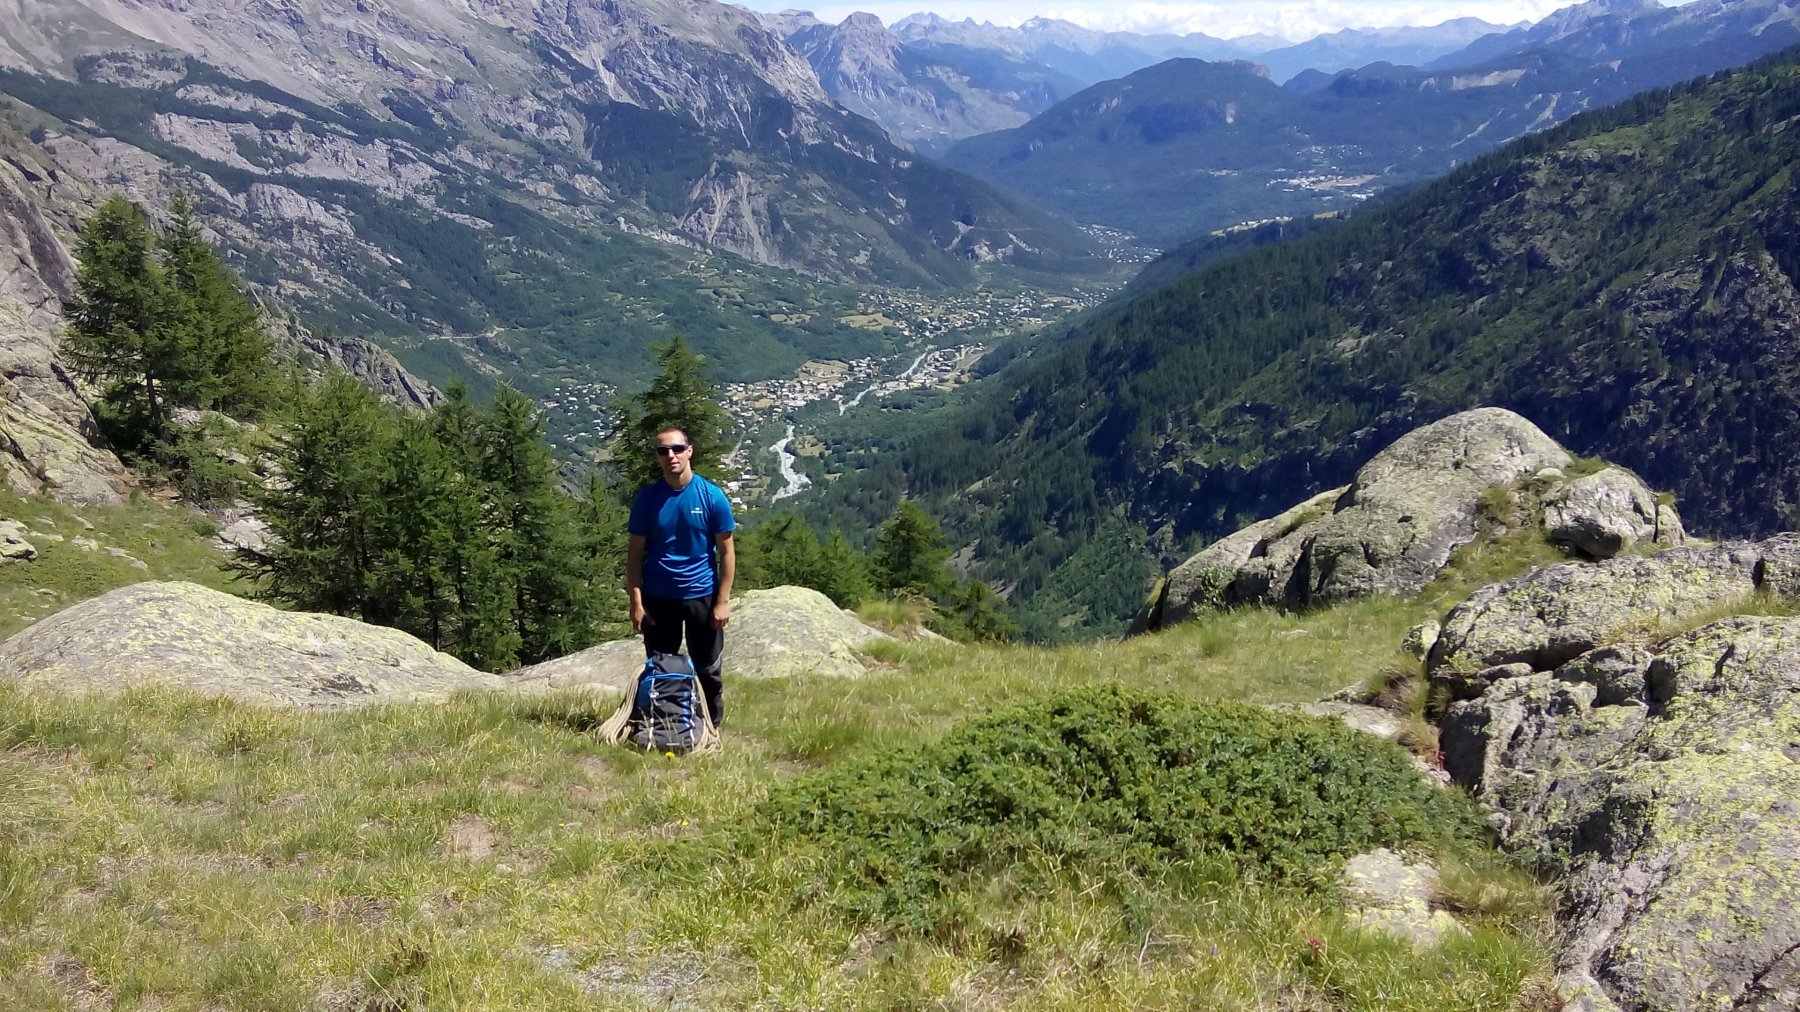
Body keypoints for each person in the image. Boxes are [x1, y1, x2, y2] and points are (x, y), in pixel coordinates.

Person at [626, 426, 736, 725]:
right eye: (663, 450)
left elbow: (726, 552)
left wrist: (723, 600)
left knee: (709, 668)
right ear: (658, 457)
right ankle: (664, 726)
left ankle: (711, 725)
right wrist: (636, 601)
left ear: (690, 450)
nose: (670, 455)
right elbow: (635, 553)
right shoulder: (648, 500)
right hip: (658, 598)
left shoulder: (712, 496)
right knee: (661, 667)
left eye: (676, 448)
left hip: (702, 594)